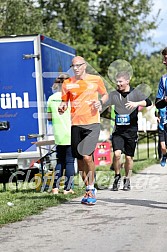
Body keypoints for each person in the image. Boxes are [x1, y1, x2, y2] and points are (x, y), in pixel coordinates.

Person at [58, 56, 108, 205]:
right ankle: (87, 188)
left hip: (92, 123)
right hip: (76, 125)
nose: (76, 68)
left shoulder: (96, 80)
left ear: (85, 66)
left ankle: (92, 188)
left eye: (79, 65)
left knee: (87, 156)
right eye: (74, 66)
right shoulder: (67, 83)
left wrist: (100, 102)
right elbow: (64, 101)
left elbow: (105, 95)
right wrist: (62, 107)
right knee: (79, 162)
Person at [103, 71, 152, 191]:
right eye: (117, 81)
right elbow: (104, 103)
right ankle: (117, 176)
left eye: (120, 81)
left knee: (129, 158)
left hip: (131, 131)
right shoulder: (114, 94)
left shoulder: (135, 93)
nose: (118, 84)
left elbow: (148, 102)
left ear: (127, 81)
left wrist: (136, 103)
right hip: (118, 131)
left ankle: (127, 179)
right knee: (117, 154)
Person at [47, 74, 75, 195]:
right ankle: (68, 188)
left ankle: (55, 188)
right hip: (70, 133)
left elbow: (49, 118)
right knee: (69, 162)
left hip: (58, 134)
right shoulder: (71, 98)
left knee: (60, 162)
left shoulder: (51, 98)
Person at [155, 47, 167, 165]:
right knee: (163, 147)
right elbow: (157, 103)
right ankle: (164, 155)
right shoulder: (163, 79)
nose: (164, 62)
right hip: (165, 120)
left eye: (166, 59)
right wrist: (165, 99)